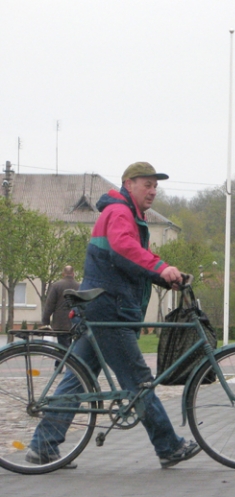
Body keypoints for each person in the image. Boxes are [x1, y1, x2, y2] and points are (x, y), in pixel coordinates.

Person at [27, 162, 200, 469]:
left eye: (155, 186)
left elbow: (128, 261)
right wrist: (161, 268)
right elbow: (124, 250)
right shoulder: (120, 212)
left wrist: (165, 277)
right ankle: (169, 446)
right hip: (111, 307)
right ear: (128, 183)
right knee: (138, 380)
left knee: (77, 379)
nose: (153, 190)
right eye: (146, 184)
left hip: (102, 304)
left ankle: (43, 446)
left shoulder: (128, 214)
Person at [41, 265, 80, 349]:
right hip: (75, 321)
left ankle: (62, 361)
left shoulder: (56, 286)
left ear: (63, 274)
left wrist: (45, 321)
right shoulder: (79, 286)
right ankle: (68, 361)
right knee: (71, 347)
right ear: (73, 274)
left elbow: (50, 305)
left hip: (61, 323)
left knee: (63, 348)